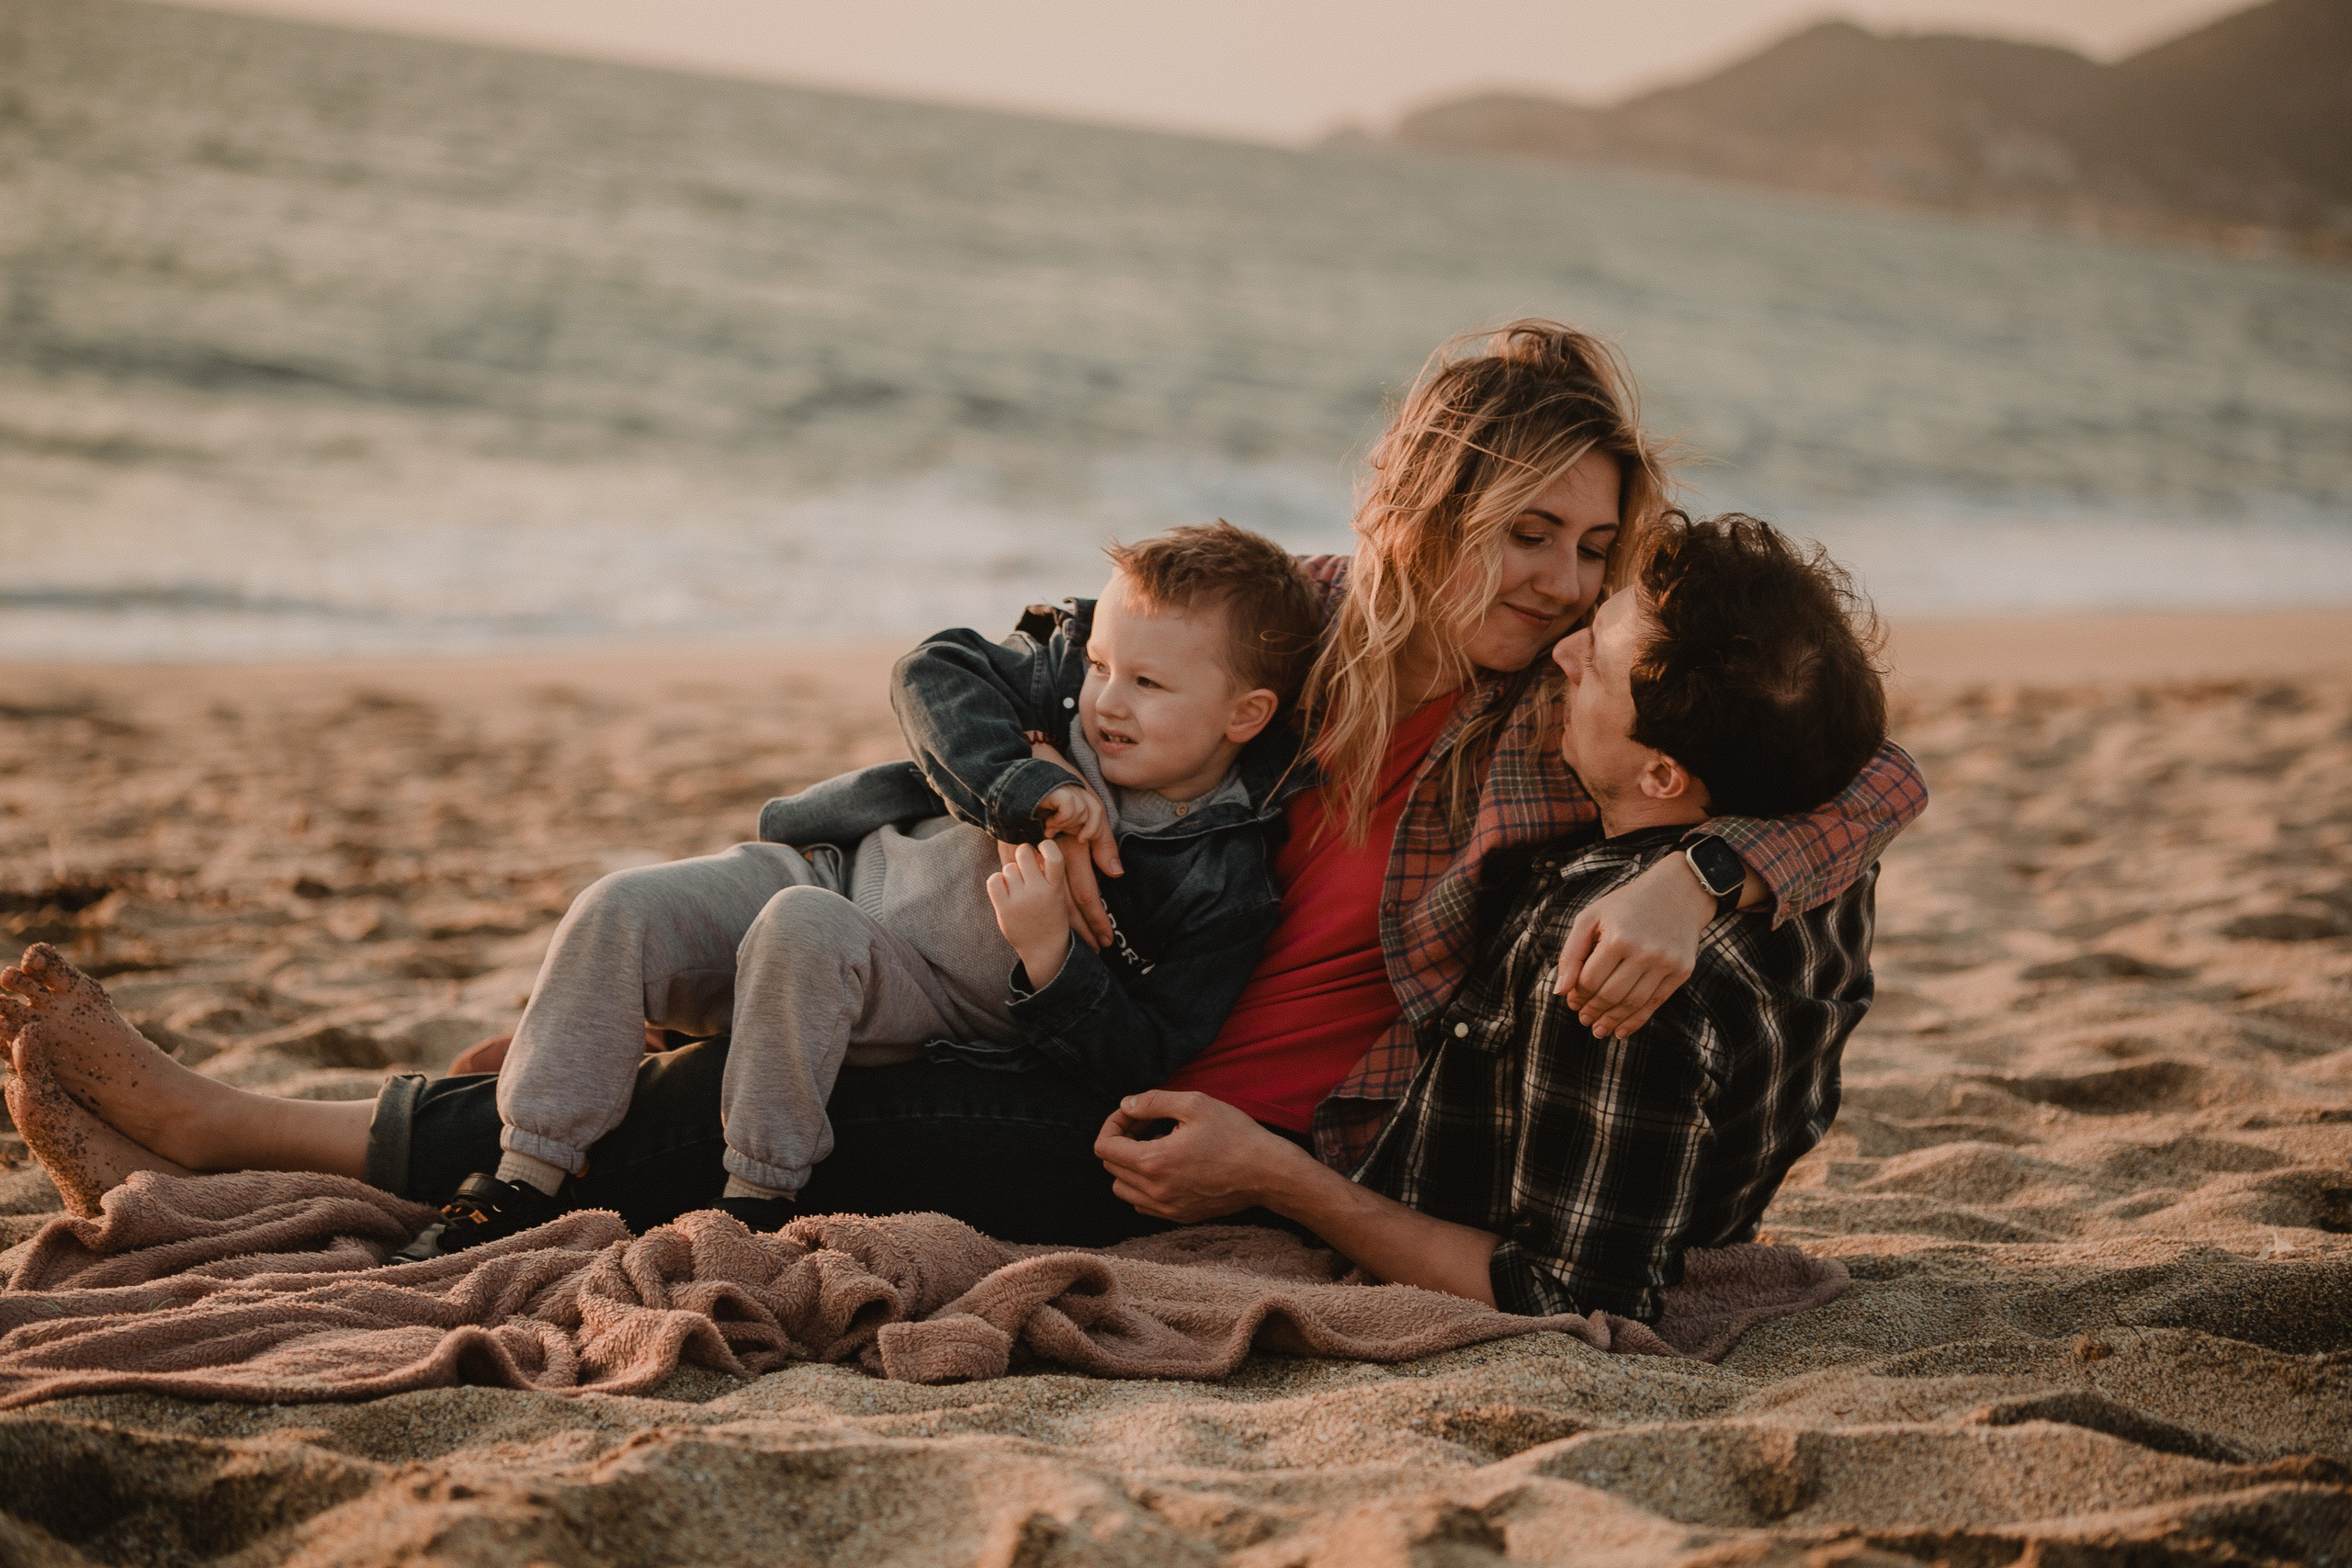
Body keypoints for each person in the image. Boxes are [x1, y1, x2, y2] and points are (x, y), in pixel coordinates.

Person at [2, 321, 1928, 1249]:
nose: (1562, 584)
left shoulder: (1557, 735)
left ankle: (221, 1140)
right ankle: (251, 1140)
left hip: (1190, 1135)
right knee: (710, 978)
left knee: (738, 1118)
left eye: (1593, 548)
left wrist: (1715, 881)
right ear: (1422, 501)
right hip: (1011, 990)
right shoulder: (1281, 625)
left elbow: (1854, 761)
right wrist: (1030, 798)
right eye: (1527, 532)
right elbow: (969, 670)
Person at [1093, 513, 1884, 1319]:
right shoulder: (1822, 865)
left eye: (1596, 665)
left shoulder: (1606, 971)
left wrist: (1274, 1177)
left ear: (1662, 776)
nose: (1565, 651)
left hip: (1369, 1202)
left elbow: (1567, 1295)